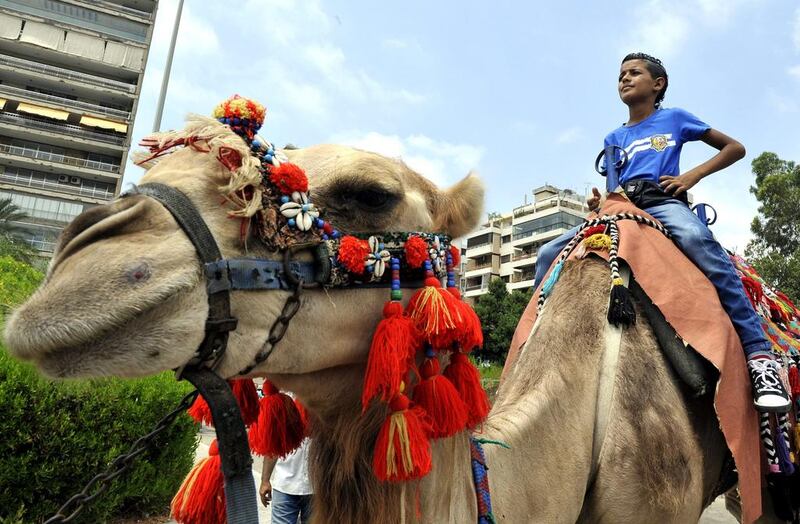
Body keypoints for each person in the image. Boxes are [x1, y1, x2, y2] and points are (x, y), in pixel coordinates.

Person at [532, 52, 791, 412]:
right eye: (621, 74)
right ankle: (533, 348)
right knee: (547, 255)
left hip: (661, 201)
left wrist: (691, 176)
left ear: (658, 84)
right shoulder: (613, 137)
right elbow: (614, 187)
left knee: (696, 239)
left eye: (634, 73)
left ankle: (759, 355)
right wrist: (599, 204)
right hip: (621, 205)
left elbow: (735, 148)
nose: (624, 78)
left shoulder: (675, 118)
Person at [259, 434, 312, 523]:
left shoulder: (326, 420)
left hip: (317, 489)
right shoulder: (285, 420)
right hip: (285, 485)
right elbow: (274, 443)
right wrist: (265, 480)